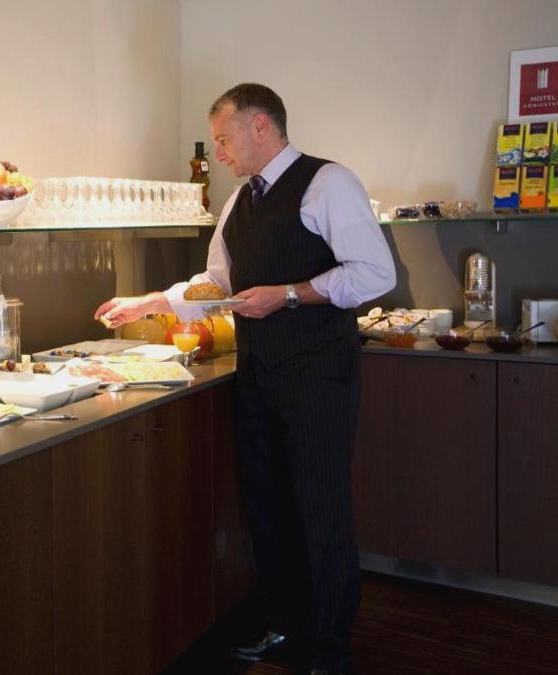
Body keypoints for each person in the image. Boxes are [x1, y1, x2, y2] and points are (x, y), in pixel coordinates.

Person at [94, 83, 395, 675]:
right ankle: (284, 625)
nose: (219, 153)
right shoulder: (239, 202)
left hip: (317, 375)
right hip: (257, 375)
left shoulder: (328, 182)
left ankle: (329, 647)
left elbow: (374, 273)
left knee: (320, 508)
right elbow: (218, 283)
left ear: (261, 126)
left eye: (224, 139)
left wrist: (290, 294)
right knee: (268, 506)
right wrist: (151, 301)